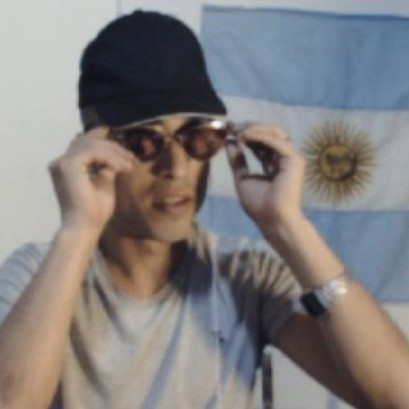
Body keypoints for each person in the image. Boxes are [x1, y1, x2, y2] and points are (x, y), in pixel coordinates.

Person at [0, 10, 409, 409]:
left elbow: (398, 396)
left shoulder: (243, 273)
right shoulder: (40, 273)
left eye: (197, 138)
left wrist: (288, 226)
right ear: (93, 149)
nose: (177, 169)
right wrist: (77, 231)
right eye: (145, 142)